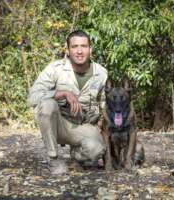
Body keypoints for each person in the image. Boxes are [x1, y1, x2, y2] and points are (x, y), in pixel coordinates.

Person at [27, 30, 108, 175]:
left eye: (83, 46)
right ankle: (53, 158)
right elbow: (32, 97)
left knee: (96, 150)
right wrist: (61, 93)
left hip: (84, 126)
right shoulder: (55, 68)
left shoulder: (101, 73)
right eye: (75, 46)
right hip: (59, 124)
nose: (79, 51)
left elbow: (107, 105)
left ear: (90, 49)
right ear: (68, 49)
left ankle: (77, 154)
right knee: (47, 105)